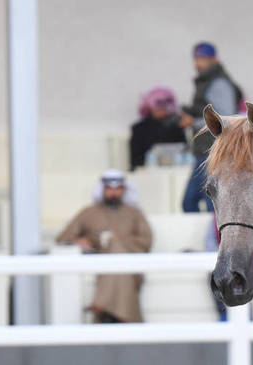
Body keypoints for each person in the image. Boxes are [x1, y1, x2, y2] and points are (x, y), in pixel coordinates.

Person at [56, 169, 152, 323]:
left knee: (115, 246)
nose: (113, 192)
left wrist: (118, 241)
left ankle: (102, 304)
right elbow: (62, 238)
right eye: (109, 188)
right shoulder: (88, 213)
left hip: (130, 265)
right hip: (100, 265)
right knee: (113, 253)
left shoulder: (135, 214)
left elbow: (146, 242)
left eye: (118, 188)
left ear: (123, 189)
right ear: (103, 189)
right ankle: (121, 314)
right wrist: (78, 241)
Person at [180, 42, 242, 212]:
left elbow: (225, 117)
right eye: (196, 59)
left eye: (203, 58)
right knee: (191, 202)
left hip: (215, 151)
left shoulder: (218, 83)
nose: (198, 63)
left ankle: (215, 231)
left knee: (210, 203)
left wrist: (193, 122)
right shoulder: (207, 81)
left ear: (214, 59)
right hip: (205, 151)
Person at [129, 86, 186, 170]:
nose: (162, 110)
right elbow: (135, 159)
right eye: (158, 106)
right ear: (149, 107)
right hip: (147, 171)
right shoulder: (139, 128)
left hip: (174, 169)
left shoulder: (176, 126)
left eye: (165, 107)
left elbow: (183, 150)